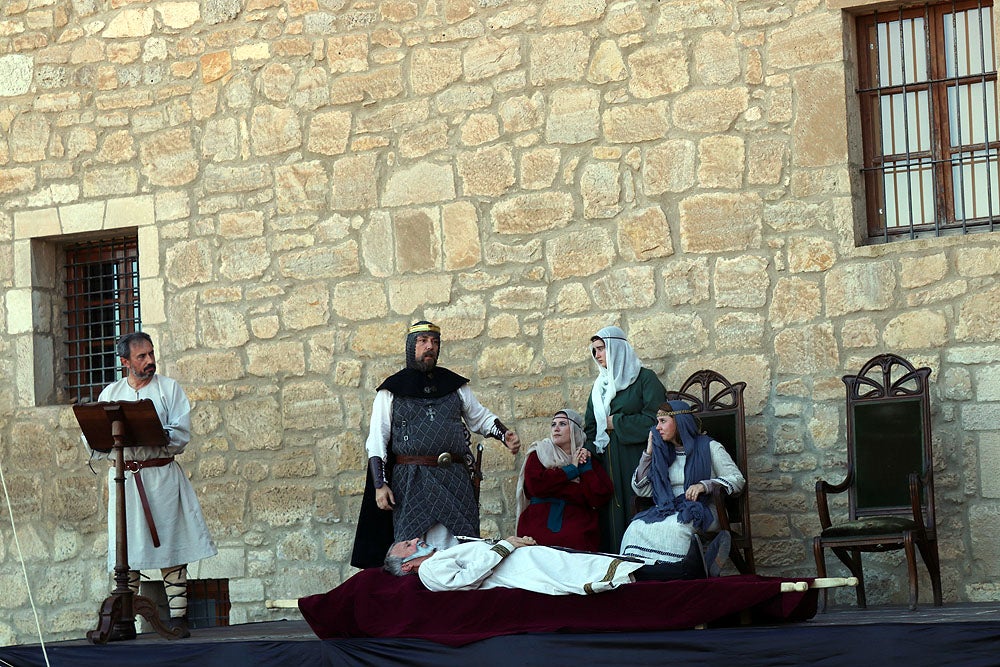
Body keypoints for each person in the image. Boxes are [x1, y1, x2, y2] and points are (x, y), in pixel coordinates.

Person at [351, 320, 521, 568]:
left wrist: (504, 434)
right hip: (412, 482)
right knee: (412, 546)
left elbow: (480, 417)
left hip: (454, 480)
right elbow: (377, 440)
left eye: (434, 342)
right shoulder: (391, 390)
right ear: (411, 346)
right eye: (422, 341)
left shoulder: (454, 386)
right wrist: (380, 485)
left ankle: (460, 594)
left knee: (462, 545)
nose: (429, 347)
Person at [83, 332, 217, 638]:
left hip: (161, 479)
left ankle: (179, 618)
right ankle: (125, 620)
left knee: (170, 544)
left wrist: (155, 432)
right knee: (127, 549)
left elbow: (181, 434)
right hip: (125, 481)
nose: (150, 361)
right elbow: (94, 437)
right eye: (142, 356)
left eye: (151, 354)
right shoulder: (110, 394)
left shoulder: (169, 389)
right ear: (125, 362)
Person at [383, 532, 730, 594]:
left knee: (607, 561)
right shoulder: (428, 571)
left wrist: (512, 543)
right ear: (408, 565)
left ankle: (685, 570)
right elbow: (469, 578)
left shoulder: (437, 556)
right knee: (600, 571)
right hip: (525, 572)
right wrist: (509, 544)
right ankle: (687, 571)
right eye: (407, 546)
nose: (415, 541)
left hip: (528, 559)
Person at [620, 400, 744, 571]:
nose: (657, 427)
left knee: (677, 528)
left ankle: (679, 576)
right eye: (657, 422)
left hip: (705, 509)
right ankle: (648, 577)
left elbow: (737, 479)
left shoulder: (710, 447)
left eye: (663, 421)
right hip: (670, 509)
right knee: (635, 527)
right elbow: (642, 489)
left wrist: (704, 485)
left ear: (679, 422)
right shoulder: (663, 453)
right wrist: (648, 453)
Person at [583, 325, 666, 553]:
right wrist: (587, 448)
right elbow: (590, 427)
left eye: (601, 349)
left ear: (617, 348)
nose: (597, 355)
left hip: (637, 460)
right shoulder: (599, 388)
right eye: (595, 351)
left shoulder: (644, 379)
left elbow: (656, 420)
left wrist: (616, 422)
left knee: (636, 509)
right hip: (607, 465)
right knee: (610, 519)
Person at [514, 409, 613, 550]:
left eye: (562, 424)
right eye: (553, 424)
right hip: (538, 522)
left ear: (574, 430)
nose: (556, 428)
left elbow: (599, 496)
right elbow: (535, 486)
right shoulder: (540, 453)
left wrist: (585, 467)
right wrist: (571, 470)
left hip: (577, 525)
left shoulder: (584, 457)